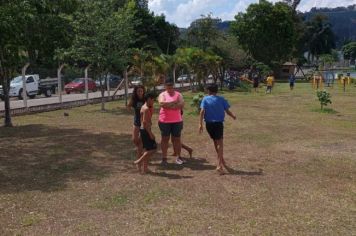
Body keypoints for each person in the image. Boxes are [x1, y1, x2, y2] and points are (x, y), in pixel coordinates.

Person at [199, 84, 236, 175]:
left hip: (209, 124)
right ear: (216, 90)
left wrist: (200, 124)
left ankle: (221, 159)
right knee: (220, 143)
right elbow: (227, 111)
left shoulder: (205, 99)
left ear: (208, 91)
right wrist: (233, 116)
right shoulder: (221, 99)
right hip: (218, 124)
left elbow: (202, 112)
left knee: (216, 142)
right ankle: (219, 165)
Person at [158, 81, 185, 165]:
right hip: (164, 121)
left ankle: (178, 157)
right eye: (168, 87)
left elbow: (181, 104)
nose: (170, 88)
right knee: (165, 139)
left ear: (173, 86)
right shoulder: (162, 94)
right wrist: (174, 103)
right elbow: (161, 104)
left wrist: (168, 105)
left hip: (177, 121)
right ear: (165, 87)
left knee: (177, 139)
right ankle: (164, 158)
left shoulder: (178, 94)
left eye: (171, 86)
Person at [134, 92, 157, 174]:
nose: (153, 101)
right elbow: (144, 122)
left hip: (143, 130)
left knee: (147, 149)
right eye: (153, 100)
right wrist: (150, 133)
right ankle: (139, 161)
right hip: (146, 130)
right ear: (149, 99)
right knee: (153, 149)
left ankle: (145, 168)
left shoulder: (143, 107)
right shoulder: (146, 109)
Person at [127, 85, 145, 160]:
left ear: (143, 91)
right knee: (134, 139)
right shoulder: (134, 99)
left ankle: (140, 156)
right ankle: (141, 150)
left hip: (144, 121)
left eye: (141, 91)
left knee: (141, 140)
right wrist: (132, 110)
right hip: (136, 120)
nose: (140, 92)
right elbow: (128, 106)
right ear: (136, 92)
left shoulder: (146, 98)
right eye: (138, 91)